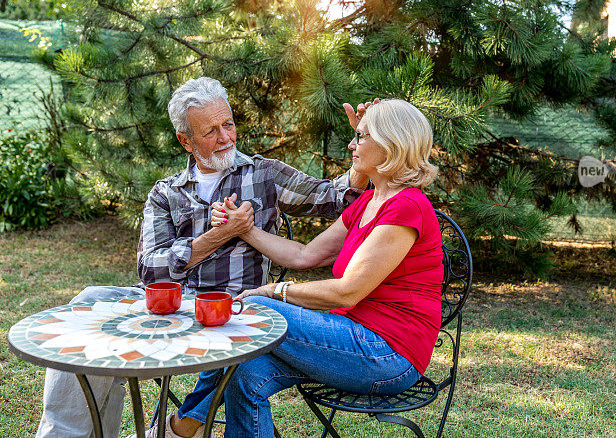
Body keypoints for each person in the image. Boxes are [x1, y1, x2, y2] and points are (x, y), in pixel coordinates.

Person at [36, 76, 371, 438]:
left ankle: (180, 429)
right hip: (168, 302)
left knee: (238, 339)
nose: (226, 137)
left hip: (233, 307)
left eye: (228, 123)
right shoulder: (166, 193)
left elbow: (335, 197)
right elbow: (151, 268)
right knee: (86, 303)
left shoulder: (263, 174)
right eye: (211, 131)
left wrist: (365, 146)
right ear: (185, 141)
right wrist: (217, 236)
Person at [154, 99, 444, 438]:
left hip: (388, 356)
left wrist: (274, 291)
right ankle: (183, 429)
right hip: (349, 338)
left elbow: (348, 289)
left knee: (258, 308)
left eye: (361, 137)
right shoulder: (369, 201)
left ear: (390, 144)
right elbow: (304, 255)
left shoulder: (407, 206)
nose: (351, 144)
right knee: (244, 369)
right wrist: (243, 228)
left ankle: (178, 430)